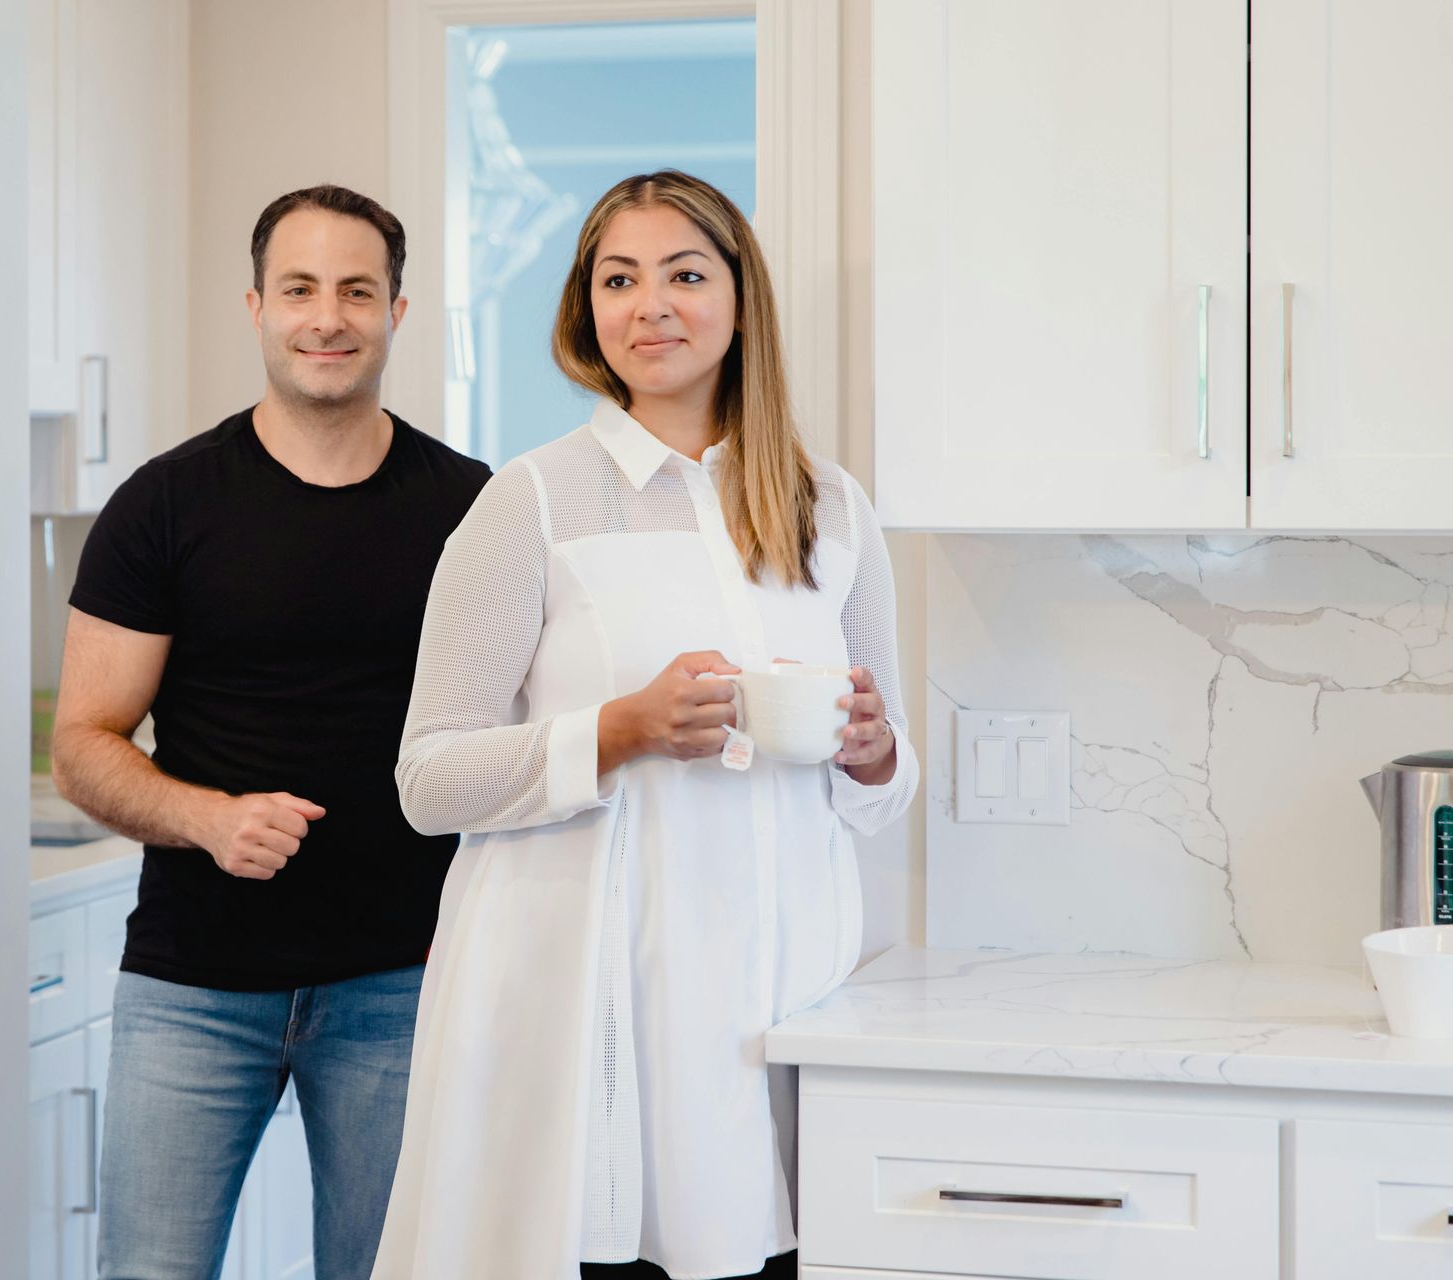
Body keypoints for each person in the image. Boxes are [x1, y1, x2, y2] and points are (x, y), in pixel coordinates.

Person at [370, 170, 916, 1280]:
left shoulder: (830, 503)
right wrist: (615, 729)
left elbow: (885, 783)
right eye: (619, 278)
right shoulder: (529, 501)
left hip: (786, 1004)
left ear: (740, 299)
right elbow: (427, 779)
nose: (650, 304)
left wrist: (875, 747)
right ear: (588, 310)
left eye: (684, 273)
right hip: (592, 1008)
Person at [50, 183, 491, 1280]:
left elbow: (512, 743)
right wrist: (206, 816)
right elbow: (83, 742)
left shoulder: (473, 508)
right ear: (255, 305)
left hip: (402, 982)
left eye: (356, 289)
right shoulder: (162, 506)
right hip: (192, 984)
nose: (326, 316)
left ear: (398, 310)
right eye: (299, 288)